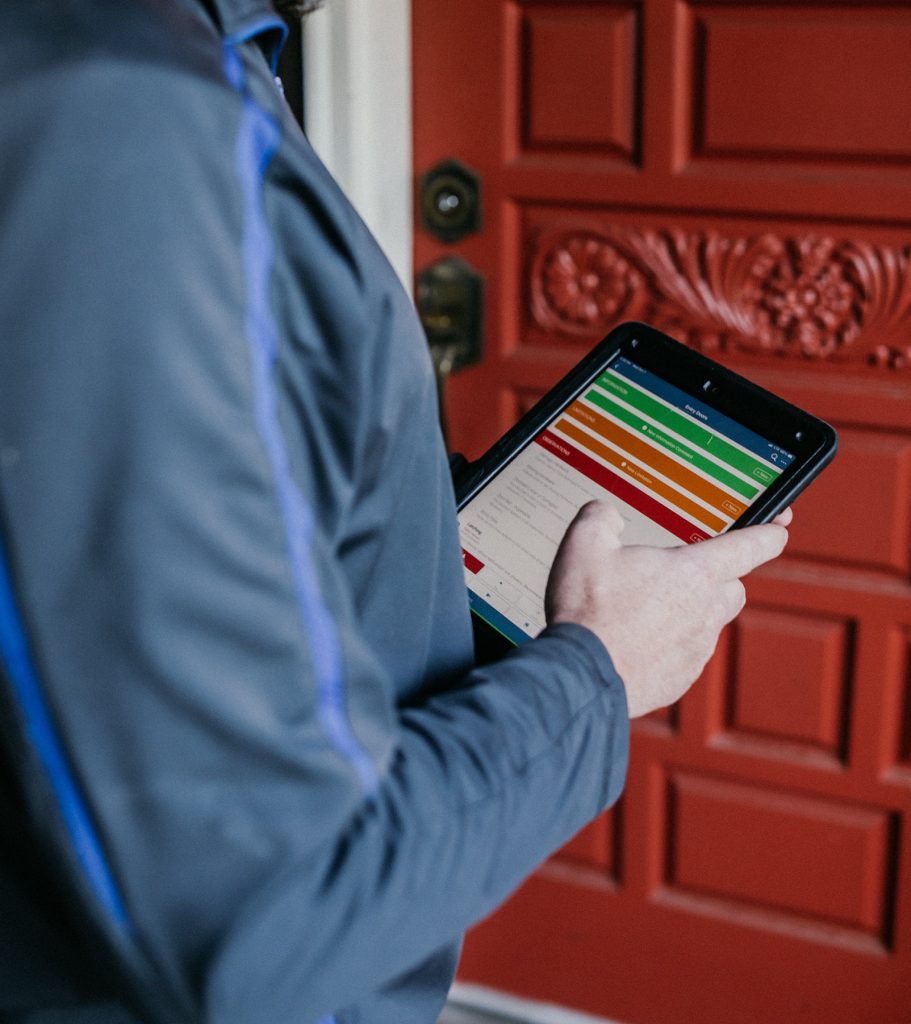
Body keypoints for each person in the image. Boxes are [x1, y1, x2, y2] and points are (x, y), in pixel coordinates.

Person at [0, 1, 790, 1022]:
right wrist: (599, 669)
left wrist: (412, 544)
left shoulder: (183, 67)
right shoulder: (124, 118)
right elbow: (266, 919)